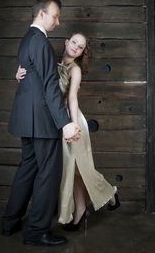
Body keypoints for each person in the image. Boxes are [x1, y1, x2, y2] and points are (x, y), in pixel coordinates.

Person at [16, 32, 120, 232]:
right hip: (57, 123)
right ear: (66, 42)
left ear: (81, 53)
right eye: (74, 42)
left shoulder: (75, 70)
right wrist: (20, 73)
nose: (75, 47)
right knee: (70, 170)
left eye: (80, 47)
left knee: (81, 169)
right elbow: (38, 86)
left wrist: (73, 126)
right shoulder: (51, 63)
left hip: (71, 122)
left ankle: (110, 194)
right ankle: (80, 210)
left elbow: (72, 99)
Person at [1, 0, 81, 247]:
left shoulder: (27, 40)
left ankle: (10, 221)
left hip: (26, 118)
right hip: (43, 120)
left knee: (28, 168)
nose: (58, 21)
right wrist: (64, 122)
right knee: (49, 173)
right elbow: (49, 86)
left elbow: (31, 77)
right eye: (55, 16)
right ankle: (36, 231)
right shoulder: (41, 43)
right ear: (42, 14)